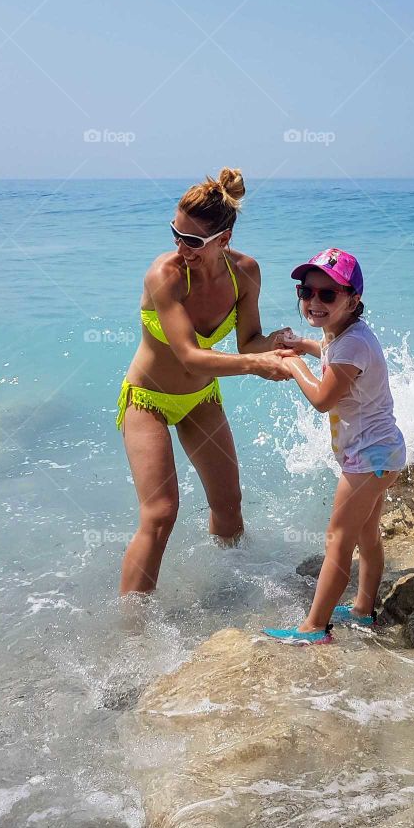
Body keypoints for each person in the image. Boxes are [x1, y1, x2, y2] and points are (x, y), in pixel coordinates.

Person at [117, 168, 293, 595]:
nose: (180, 248)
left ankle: (230, 588)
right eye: (175, 234)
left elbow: (249, 341)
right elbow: (190, 356)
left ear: (224, 239)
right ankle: (131, 633)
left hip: (200, 399)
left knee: (229, 508)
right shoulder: (166, 275)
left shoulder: (245, 273)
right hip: (148, 401)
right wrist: (256, 365)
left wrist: (285, 345)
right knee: (160, 514)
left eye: (193, 241)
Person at [263, 248, 406, 644]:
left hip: (367, 460)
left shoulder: (351, 346)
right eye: (306, 292)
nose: (314, 301)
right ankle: (362, 611)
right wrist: (301, 345)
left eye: (328, 295)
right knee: (367, 535)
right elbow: (329, 350)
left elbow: (323, 398)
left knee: (337, 539)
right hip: (382, 453)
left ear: (353, 300)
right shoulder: (344, 336)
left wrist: (293, 365)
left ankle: (314, 628)